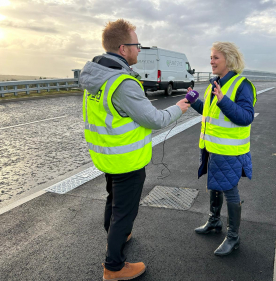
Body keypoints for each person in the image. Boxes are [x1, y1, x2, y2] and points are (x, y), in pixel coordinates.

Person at [79, 19, 190, 280]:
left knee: (113, 201)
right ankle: (114, 267)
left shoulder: (98, 77)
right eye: (136, 45)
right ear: (122, 48)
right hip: (126, 159)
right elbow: (155, 119)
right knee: (124, 211)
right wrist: (180, 108)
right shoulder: (123, 83)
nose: (139, 49)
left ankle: (117, 235)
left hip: (107, 155)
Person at [188, 42, 257, 256]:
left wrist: (223, 100)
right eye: (211, 57)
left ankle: (233, 237)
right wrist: (193, 101)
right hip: (213, 147)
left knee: (230, 190)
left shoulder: (241, 85)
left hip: (230, 151)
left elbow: (245, 117)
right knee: (215, 185)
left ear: (229, 59)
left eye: (216, 57)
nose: (211, 61)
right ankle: (214, 222)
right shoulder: (214, 84)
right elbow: (210, 113)